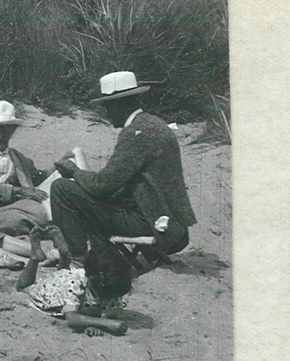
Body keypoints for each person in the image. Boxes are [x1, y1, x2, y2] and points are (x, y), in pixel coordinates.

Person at [49, 70, 196, 311]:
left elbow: (103, 185)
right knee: (90, 198)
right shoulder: (155, 125)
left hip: (148, 221)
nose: (107, 113)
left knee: (62, 189)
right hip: (169, 221)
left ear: (121, 105)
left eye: (108, 106)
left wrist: (74, 171)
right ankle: (98, 252)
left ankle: (78, 262)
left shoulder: (135, 134)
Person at [0, 100, 67, 256]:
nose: (0, 135)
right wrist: (20, 191)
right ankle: (39, 236)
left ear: (13, 131)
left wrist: (58, 166)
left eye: (6, 131)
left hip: (13, 205)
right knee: (22, 216)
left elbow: (37, 177)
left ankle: (39, 229)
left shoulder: (17, 157)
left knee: (38, 210)